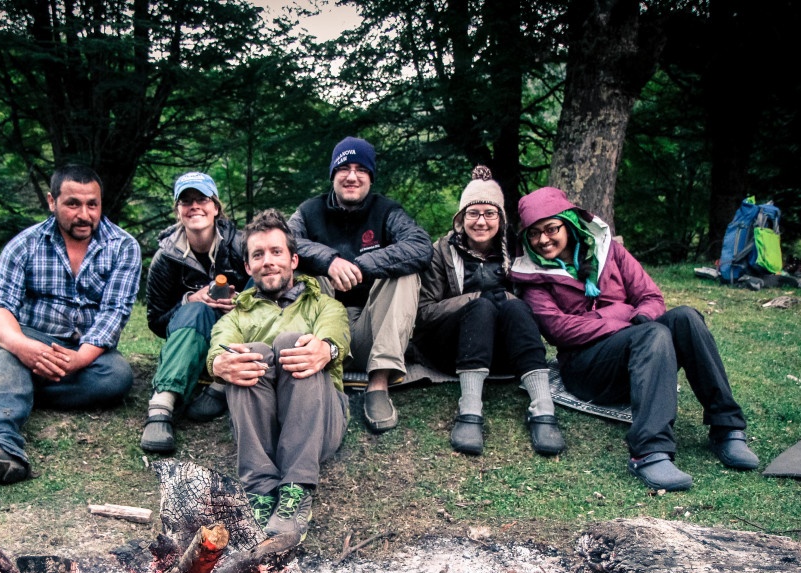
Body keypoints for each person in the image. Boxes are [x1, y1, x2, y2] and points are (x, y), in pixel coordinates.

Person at [510, 186, 758, 491]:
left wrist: (637, 319)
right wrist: (624, 320)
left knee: (685, 318)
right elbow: (560, 329)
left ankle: (727, 428)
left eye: (550, 229)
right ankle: (650, 452)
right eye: (533, 234)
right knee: (651, 332)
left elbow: (650, 296)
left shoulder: (609, 251)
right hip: (587, 368)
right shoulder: (531, 277)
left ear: (570, 223)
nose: (543, 240)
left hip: (637, 352)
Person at [0, 164, 141, 484]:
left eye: (93, 204)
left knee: (117, 377)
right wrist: (22, 346)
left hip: (87, 349)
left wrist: (79, 359)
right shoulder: (25, 243)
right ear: (52, 201)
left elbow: (114, 313)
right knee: (7, 351)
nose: (85, 214)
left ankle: (3, 389)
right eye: (73, 204)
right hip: (33, 336)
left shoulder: (123, 246)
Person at [207, 209, 350, 541]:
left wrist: (325, 349)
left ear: (294, 260)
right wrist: (219, 364)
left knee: (293, 341)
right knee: (244, 352)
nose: (268, 261)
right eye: (258, 255)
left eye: (276, 252)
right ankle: (260, 489)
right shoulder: (237, 315)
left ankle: (296, 490)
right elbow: (219, 345)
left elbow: (336, 335)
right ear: (248, 267)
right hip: (263, 430)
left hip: (319, 423)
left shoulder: (325, 305)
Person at [414, 167, 565, 457]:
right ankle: (470, 411)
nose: (481, 221)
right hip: (452, 350)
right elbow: (424, 312)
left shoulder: (518, 251)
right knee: (482, 306)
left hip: (507, 356)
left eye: (489, 213)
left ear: (501, 218)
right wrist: (475, 298)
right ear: (461, 218)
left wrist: (505, 298)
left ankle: (543, 410)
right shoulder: (442, 251)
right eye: (473, 213)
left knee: (516, 306)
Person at [288, 136, 432, 433]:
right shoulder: (308, 211)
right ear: (333, 174)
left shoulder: (387, 211)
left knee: (404, 274)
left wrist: (361, 266)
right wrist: (328, 261)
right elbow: (283, 243)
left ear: (370, 176)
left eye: (360, 169)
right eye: (344, 168)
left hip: (374, 329)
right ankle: (322, 380)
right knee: (304, 272)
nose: (352, 176)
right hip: (323, 331)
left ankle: (378, 385)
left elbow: (420, 246)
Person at [140, 171, 248, 454]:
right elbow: (157, 320)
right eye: (186, 201)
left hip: (237, 339)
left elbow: (272, 293)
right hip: (189, 340)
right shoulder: (165, 256)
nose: (194, 206)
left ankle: (221, 387)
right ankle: (161, 408)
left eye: (201, 199)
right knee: (197, 309)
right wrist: (190, 300)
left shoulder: (242, 245)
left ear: (215, 206)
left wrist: (242, 302)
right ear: (178, 210)